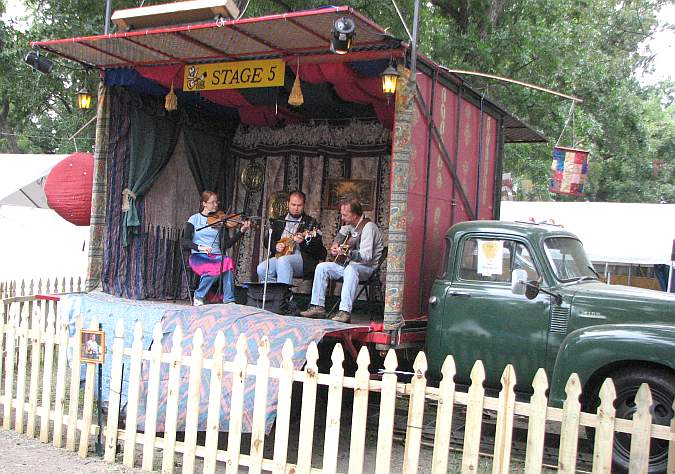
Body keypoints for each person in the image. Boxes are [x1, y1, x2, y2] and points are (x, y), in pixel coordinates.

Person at [300, 197, 384, 323]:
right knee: (322, 267)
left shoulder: (368, 228)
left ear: (355, 215)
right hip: (350, 265)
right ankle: (317, 307)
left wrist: (348, 253)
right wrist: (335, 245)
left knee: (351, 269)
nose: (342, 217)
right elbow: (342, 233)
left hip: (367, 268)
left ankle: (344, 311)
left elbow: (367, 256)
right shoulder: (351, 225)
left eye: (345, 215)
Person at [181, 190, 250, 306]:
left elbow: (226, 245)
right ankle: (198, 295)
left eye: (216, 202)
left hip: (217, 256)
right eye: (212, 202)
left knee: (226, 262)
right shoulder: (194, 219)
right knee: (218, 266)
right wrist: (200, 247)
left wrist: (241, 232)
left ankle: (229, 299)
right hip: (199, 256)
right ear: (204, 203)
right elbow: (185, 241)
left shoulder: (220, 221)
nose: (215, 205)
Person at [257, 190, 327, 284]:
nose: (296, 208)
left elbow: (318, 248)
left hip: (303, 259)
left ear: (304, 205)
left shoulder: (310, 223)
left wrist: (303, 242)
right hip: (281, 255)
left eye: (299, 205)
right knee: (262, 269)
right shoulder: (279, 221)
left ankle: (283, 296)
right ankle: (274, 295)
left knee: (283, 261)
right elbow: (267, 240)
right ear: (288, 204)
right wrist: (275, 246)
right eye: (293, 205)